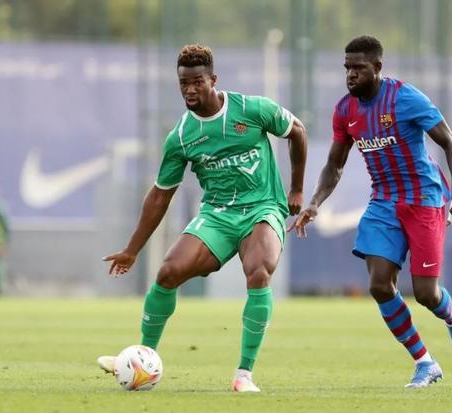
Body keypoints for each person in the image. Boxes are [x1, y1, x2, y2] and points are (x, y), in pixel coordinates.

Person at [98, 44, 307, 393]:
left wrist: (297, 189)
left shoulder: (252, 109)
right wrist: (132, 249)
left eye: (197, 82)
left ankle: (244, 374)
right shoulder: (181, 136)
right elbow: (160, 195)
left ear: (213, 79)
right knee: (167, 273)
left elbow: (297, 131)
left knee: (258, 270)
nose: (190, 90)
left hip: (262, 207)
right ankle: (141, 357)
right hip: (218, 215)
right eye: (183, 84)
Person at [289, 35, 452, 388]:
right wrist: (315, 202)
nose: (350, 75)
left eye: (358, 68)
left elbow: (450, 143)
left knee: (425, 294)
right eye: (346, 68)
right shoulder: (345, 110)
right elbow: (335, 165)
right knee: (379, 284)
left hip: (424, 198)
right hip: (384, 201)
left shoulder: (405, 98)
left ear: (377, 68)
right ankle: (425, 362)